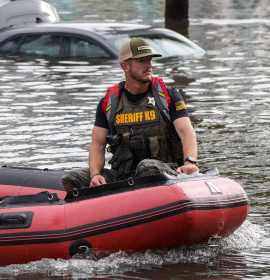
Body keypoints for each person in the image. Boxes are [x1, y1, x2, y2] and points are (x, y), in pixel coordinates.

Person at [62, 38, 199, 191]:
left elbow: (187, 133)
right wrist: (95, 175)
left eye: (149, 60)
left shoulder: (168, 96)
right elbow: (98, 145)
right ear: (125, 66)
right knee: (72, 177)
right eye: (142, 61)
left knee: (147, 167)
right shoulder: (109, 103)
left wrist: (189, 163)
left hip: (165, 171)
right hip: (123, 176)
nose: (149, 65)